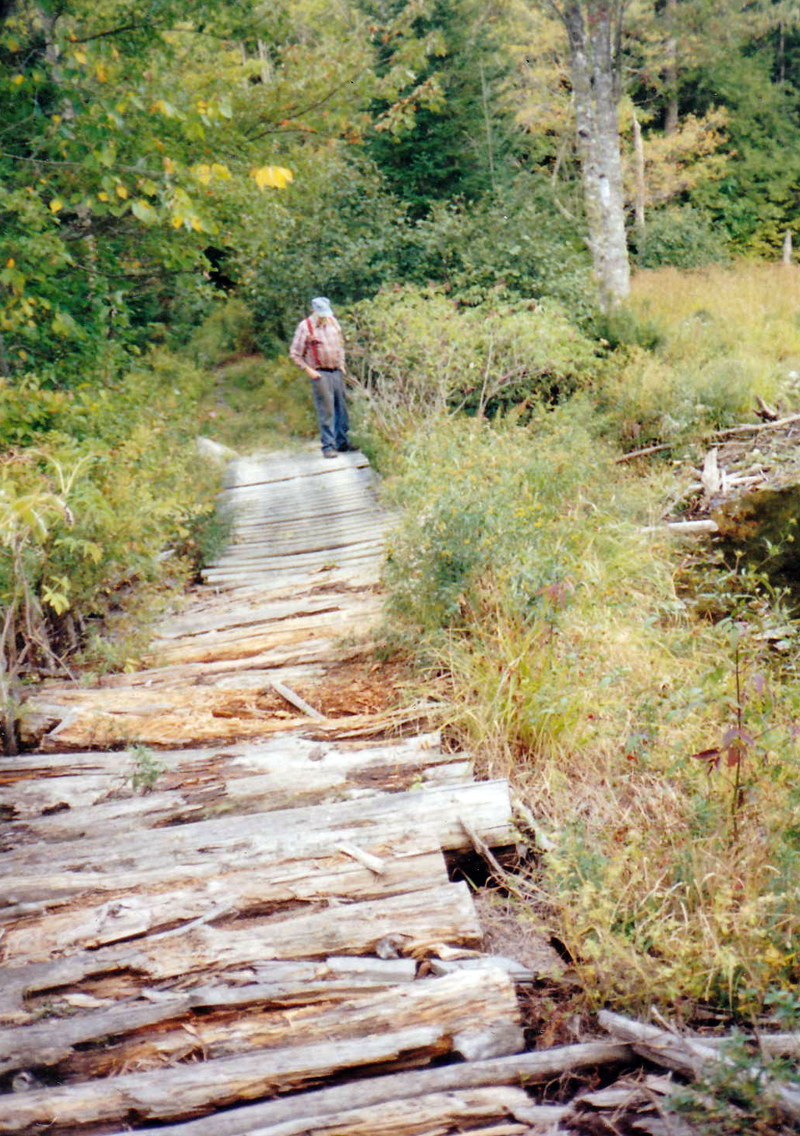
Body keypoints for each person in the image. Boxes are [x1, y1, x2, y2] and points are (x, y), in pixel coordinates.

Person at [289, 297, 351, 458]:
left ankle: (342, 442)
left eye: (326, 314)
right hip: (319, 372)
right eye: (321, 314)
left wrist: (342, 364)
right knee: (326, 410)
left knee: (341, 409)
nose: (324, 317)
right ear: (313, 312)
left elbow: (341, 344)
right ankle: (328, 446)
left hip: (336, 370)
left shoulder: (333, 322)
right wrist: (308, 370)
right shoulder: (305, 327)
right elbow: (295, 354)